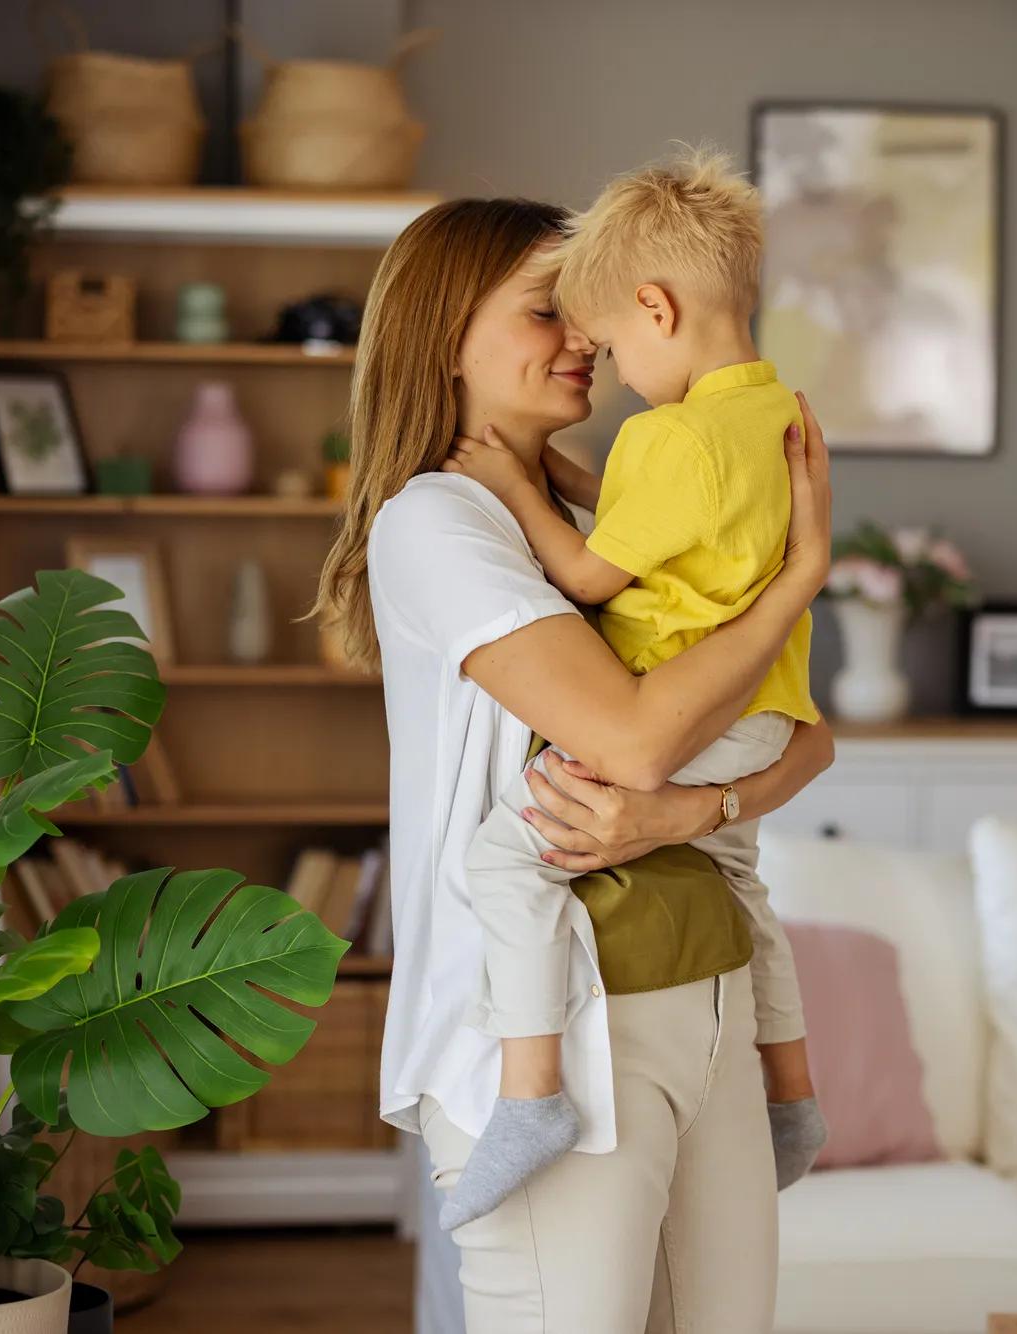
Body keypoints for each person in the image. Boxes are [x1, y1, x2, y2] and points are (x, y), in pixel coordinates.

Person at [308, 196, 835, 1331]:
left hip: (700, 993)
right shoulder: (439, 519)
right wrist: (795, 582)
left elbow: (807, 740)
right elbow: (634, 738)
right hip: (553, 1021)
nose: (584, 338)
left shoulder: (601, 509)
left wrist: (697, 807)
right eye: (548, 310)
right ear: (444, 331)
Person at [437, 149, 825, 1229]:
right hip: (765, 715)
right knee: (744, 884)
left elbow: (594, 571)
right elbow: (676, 521)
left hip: (680, 715)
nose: (602, 367)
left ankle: (528, 1092)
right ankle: (790, 1094)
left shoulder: (667, 434)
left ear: (653, 306)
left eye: (608, 343)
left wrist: (515, 479)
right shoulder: (776, 415)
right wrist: (569, 476)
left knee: (501, 855)